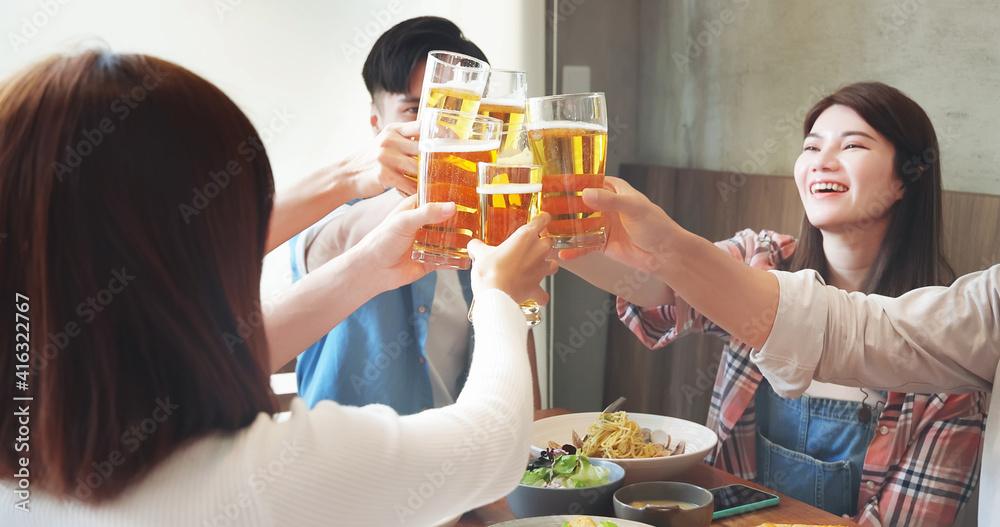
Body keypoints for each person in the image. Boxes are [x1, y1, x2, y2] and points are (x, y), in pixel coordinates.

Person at [0, 50, 556, 525]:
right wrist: (500, 295)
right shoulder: (260, 480)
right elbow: (492, 447)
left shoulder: (34, 448)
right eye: (237, 219)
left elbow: (198, 357)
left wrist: (369, 268)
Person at [564, 83, 984, 525]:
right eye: (811, 146)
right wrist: (559, 237)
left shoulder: (948, 352)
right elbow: (661, 291)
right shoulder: (763, 263)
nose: (821, 161)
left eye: (853, 145)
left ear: (905, 177)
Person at [290, 17, 492, 413]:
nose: (441, 129)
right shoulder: (331, 217)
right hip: (347, 464)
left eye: (456, 112)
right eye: (415, 109)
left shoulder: (490, 225)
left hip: (458, 458)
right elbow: (329, 247)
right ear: (376, 122)